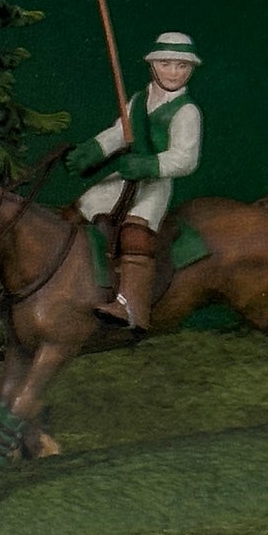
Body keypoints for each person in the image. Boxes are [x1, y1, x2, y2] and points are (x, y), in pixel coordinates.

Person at [65, 34, 203, 331]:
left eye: (182, 66)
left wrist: (149, 164)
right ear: (152, 65)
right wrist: (93, 150)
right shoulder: (139, 101)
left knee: (135, 233)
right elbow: (119, 133)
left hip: (154, 184)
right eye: (166, 64)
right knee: (79, 212)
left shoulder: (186, 111)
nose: (174, 72)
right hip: (125, 178)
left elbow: (186, 158)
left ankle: (130, 307)